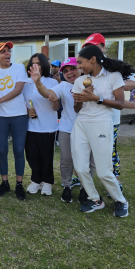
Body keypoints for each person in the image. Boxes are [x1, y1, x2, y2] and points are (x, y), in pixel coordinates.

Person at [71, 45, 133, 217]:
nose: (79, 67)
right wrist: (81, 98)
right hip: (81, 123)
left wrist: (96, 98)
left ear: (93, 59)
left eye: (81, 62)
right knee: (81, 167)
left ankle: (120, 201)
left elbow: (120, 104)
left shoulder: (114, 76)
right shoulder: (79, 81)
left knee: (104, 170)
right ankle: (95, 199)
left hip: (102, 123)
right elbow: (76, 108)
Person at [29, 57, 95, 203]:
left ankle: (86, 188)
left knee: (89, 161)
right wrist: (38, 83)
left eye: (72, 68)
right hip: (67, 128)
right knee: (66, 160)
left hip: (89, 127)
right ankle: (67, 186)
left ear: (80, 68)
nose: (69, 73)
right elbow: (48, 93)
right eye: (65, 71)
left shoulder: (91, 81)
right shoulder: (63, 86)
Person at [0, 41, 30, 200]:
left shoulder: (19, 68)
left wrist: (0, 100)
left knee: (19, 150)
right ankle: (5, 183)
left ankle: (19, 184)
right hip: (0, 117)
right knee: (2, 151)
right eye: (3, 52)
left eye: (8, 51)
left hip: (19, 115)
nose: (7, 54)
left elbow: (18, 90)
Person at [23, 53, 59, 196]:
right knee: (32, 156)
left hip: (48, 126)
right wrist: (27, 111)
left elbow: (56, 106)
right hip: (30, 127)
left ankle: (47, 182)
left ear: (44, 65)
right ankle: (36, 180)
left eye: (38, 63)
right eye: (32, 64)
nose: (35, 66)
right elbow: (22, 103)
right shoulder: (25, 83)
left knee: (46, 156)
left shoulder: (52, 83)